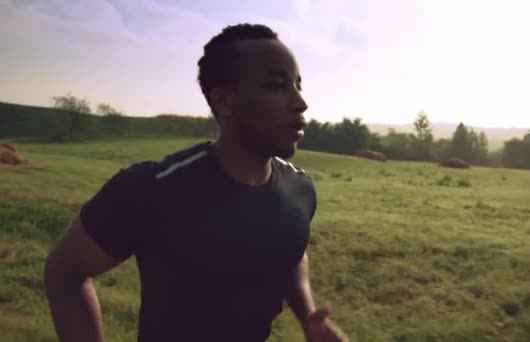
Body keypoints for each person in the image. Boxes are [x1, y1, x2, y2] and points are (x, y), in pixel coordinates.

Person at [44, 23, 348, 342]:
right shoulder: (153, 189)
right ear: (225, 102)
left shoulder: (299, 189)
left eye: (298, 85)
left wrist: (309, 317)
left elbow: (292, 249)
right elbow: (65, 270)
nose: (300, 102)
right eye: (276, 85)